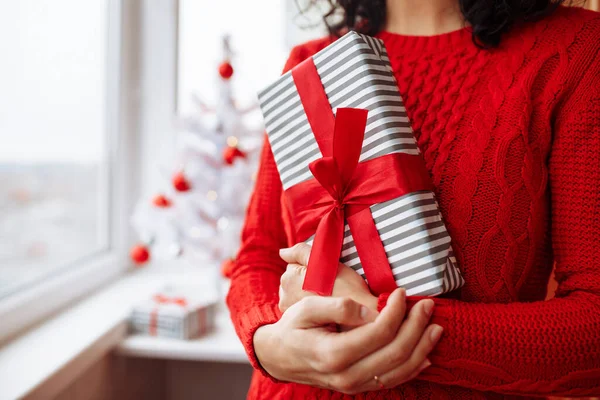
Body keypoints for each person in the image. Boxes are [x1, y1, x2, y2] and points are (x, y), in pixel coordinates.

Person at [226, 0, 600, 398]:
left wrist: (382, 325)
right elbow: (259, 254)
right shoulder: (311, 63)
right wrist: (266, 343)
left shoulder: (574, 51)